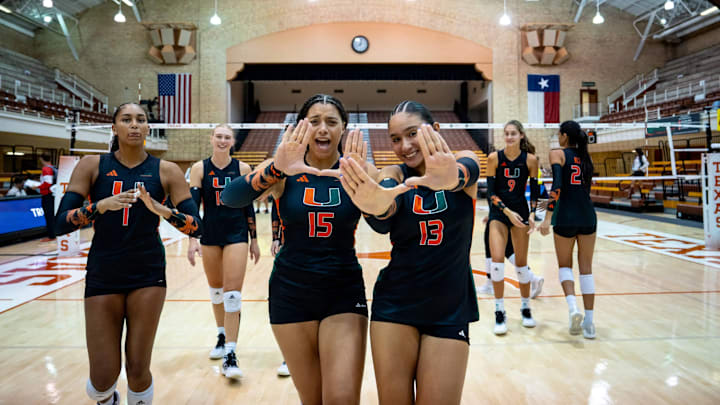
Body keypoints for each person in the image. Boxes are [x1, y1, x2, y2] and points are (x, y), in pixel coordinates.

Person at [222, 94, 368, 405]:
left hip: (342, 291)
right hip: (291, 292)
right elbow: (231, 197)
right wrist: (276, 167)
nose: (323, 129)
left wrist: (368, 185)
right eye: (314, 121)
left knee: (341, 398)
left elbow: (384, 224)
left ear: (344, 128)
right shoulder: (284, 170)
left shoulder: (358, 170)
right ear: (302, 127)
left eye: (331, 122)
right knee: (312, 398)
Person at [54, 102, 203, 405]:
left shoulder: (167, 170)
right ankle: (105, 398)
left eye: (141, 120)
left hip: (147, 272)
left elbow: (197, 227)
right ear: (114, 128)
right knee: (102, 378)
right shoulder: (92, 165)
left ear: (148, 128)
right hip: (103, 271)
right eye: (126, 119)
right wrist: (99, 206)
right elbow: (59, 223)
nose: (134, 125)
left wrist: (162, 210)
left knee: (137, 367)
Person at [338, 100, 480, 404]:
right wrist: (375, 205)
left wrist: (449, 178)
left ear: (435, 130)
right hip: (396, 305)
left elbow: (466, 172)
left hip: (449, 308)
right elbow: (384, 214)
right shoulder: (394, 173)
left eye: (412, 133)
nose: (404, 146)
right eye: (395, 138)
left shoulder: (462, 162)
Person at [186, 124, 260, 379]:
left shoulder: (242, 169)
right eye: (218, 136)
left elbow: (248, 207)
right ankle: (221, 335)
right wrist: (191, 239)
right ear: (211, 139)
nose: (222, 140)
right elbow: (193, 208)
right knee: (216, 291)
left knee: (232, 294)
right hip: (209, 234)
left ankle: (231, 352)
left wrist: (254, 239)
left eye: (227, 137)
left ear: (233, 141)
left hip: (236, 234)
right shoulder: (199, 168)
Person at [538, 120, 597, 339]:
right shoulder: (586, 156)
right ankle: (590, 323)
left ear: (564, 136)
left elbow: (556, 187)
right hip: (588, 215)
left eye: (559, 134)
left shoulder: (557, 153)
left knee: (565, 266)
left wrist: (545, 217)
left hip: (565, 217)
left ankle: (573, 309)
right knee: (586, 269)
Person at [485, 120, 539, 335]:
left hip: (522, 214)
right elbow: (490, 193)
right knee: (497, 262)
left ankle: (526, 307)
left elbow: (536, 192)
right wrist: (507, 212)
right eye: (506, 133)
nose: (509, 137)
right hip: (500, 214)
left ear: (521, 136)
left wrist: (534, 214)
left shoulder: (531, 160)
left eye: (513, 133)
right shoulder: (494, 158)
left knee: (522, 265)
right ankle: (500, 311)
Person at [476, 216, 544, 299]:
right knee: (508, 250)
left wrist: (493, 215)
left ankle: (491, 285)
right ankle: (533, 278)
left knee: (491, 247)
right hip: (509, 214)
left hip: (501, 215)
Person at [269, 200, 291, 377]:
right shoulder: (289, 175)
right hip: (290, 247)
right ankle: (290, 355)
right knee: (291, 301)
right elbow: (277, 208)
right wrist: (275, 237)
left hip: (329, 252)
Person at [39, 153, 57, 240]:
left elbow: (48, 183)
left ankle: (51, 235)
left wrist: (37, 186)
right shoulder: (53, 168)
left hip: (47, 195)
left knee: (49, 215)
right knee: (52, 215)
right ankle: (53, 233)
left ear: (41, 159)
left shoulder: (46, 169)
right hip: (53, 195)